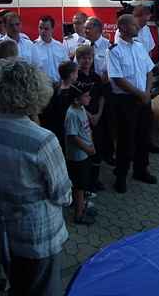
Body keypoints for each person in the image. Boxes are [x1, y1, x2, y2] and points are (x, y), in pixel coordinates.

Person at [0, 59, 71, 296]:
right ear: (36, 92)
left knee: (18, 285)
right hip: (37, 233)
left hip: (3, 230)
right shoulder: (42, 139)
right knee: (44, 289)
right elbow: (62, 194)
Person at [107, 14, 157, 193]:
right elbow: (117, 79)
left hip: (143, 98)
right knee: (126, 140)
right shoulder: (114, 50)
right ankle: (121, 176)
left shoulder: (139, 47)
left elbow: (150, 70)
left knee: (144, 137)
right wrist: (139, 94)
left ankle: (141, 170)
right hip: (125, 101)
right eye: (135, 25)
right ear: (124, 28)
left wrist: (147, 92)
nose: (138, 27)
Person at [83, 17, 116, 165]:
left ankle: (108, 154)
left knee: (106, 122)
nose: (85, 30)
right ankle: (92, 153)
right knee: (90, 124)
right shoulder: (83, 45)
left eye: (88, 28)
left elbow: (113, 66)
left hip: (103, 87)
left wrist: (108, 75)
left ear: (98, 30)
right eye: (85, 28)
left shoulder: (107, 45)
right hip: (88, 88)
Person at [64, 81, 96, 225]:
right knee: (79, 187)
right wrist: (87, 148)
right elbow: (72, 136)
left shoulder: (81, 108)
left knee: (83, 184)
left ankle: (81, 206)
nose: (90, 98)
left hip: (85, 154)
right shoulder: (71, 114)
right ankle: (78, 215)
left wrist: (91, 144)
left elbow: (87, 130)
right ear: (77, 99)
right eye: (87, 96)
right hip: (77, 157)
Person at [75, 45, 106, 191]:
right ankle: (84, 182)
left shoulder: (96, 77)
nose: (86, 61)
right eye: (83, 58)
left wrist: (98, 115)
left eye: (89, 58)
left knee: (97, 148)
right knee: (84, 151)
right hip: (82, 119)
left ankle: (95, 179)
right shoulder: (75, 78)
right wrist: (88, 116)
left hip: (97, 119)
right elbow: (74, 100)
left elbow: (101, 97)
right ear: (78, 59)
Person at [41, 61, 78, 151]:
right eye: (76, 73)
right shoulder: (72, 92)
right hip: (64, 127)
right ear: (71, 75)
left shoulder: (55, 88)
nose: (77, 75)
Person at [34, 15, 69, 83]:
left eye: (46, 29)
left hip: (59, 86)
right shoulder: (33, 47)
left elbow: (66, 66)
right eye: (40, 28)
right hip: (43, 88)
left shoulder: (59, 46)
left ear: (52, 29)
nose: (42, 31)